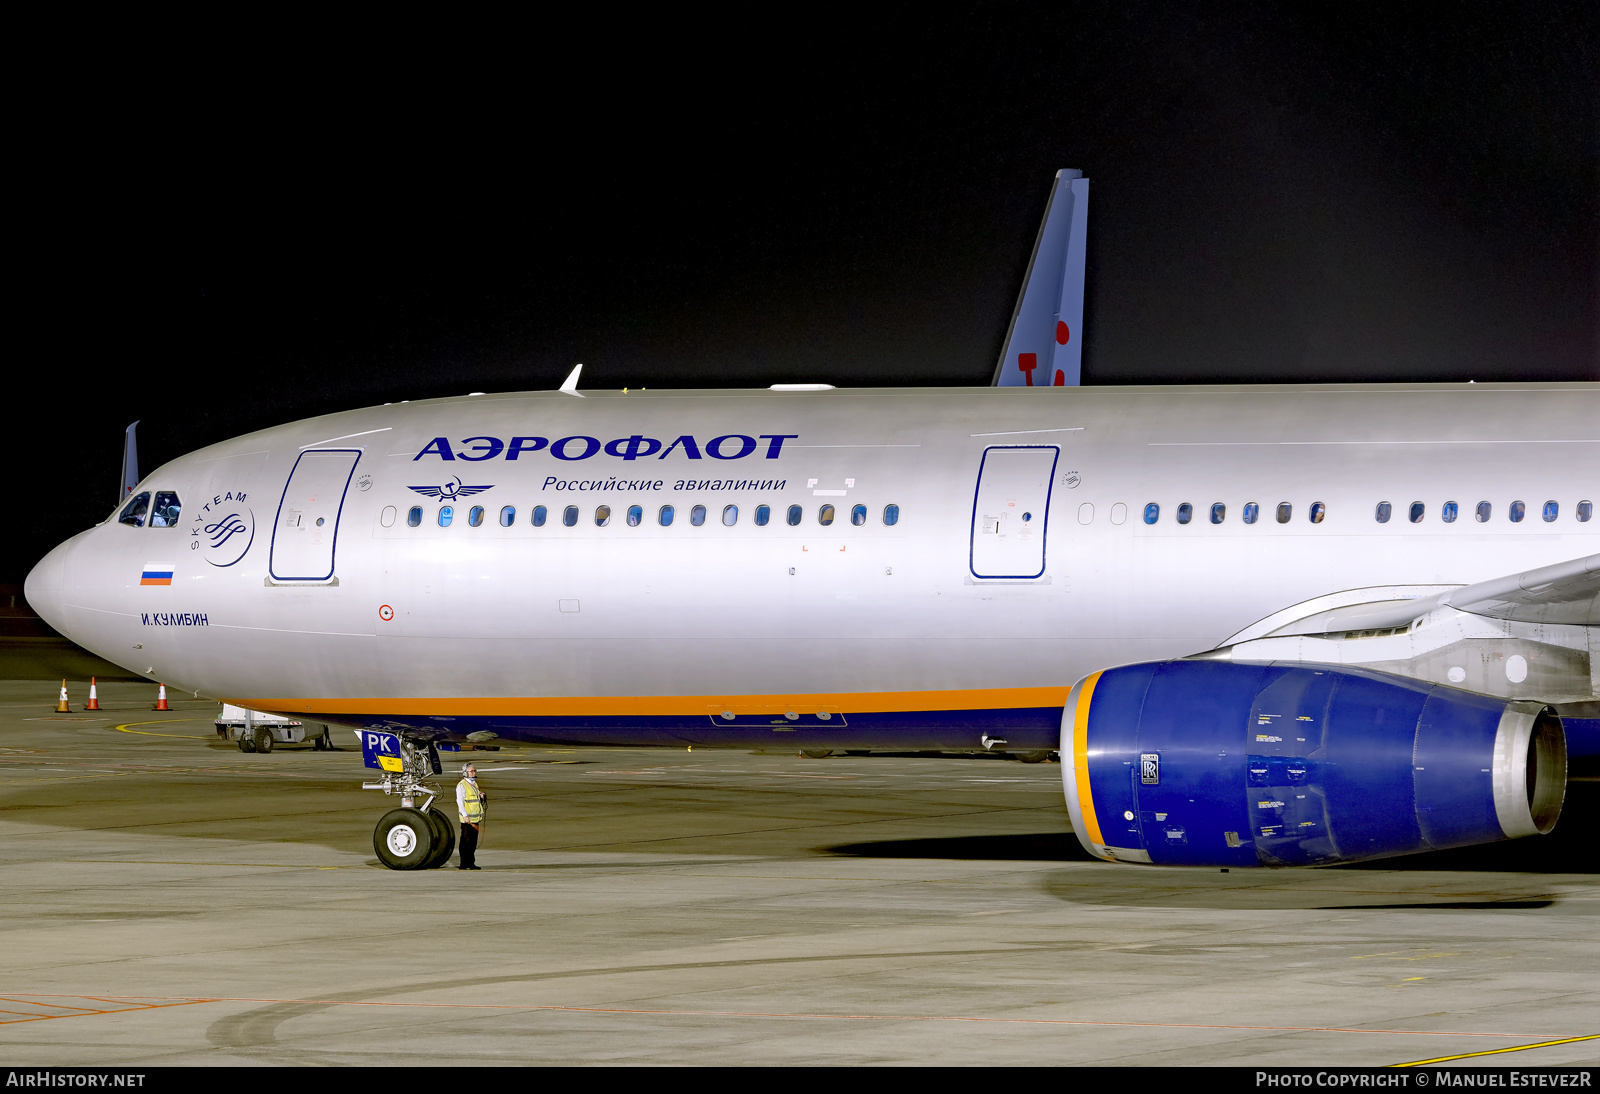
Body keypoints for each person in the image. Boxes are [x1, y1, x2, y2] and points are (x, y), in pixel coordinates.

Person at [456, 762, 486, 869]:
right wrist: (465, 815)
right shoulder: (462, 785)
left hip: (475, 818)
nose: (473, 773)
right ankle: (463, 864)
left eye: (474, 771)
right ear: (465, 773)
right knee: (465, 842)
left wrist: (480, 795)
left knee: (473, 842)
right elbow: (460, 801)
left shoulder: (474, 784)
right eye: (471, 771)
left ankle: (471, 863)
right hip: (467, 819)